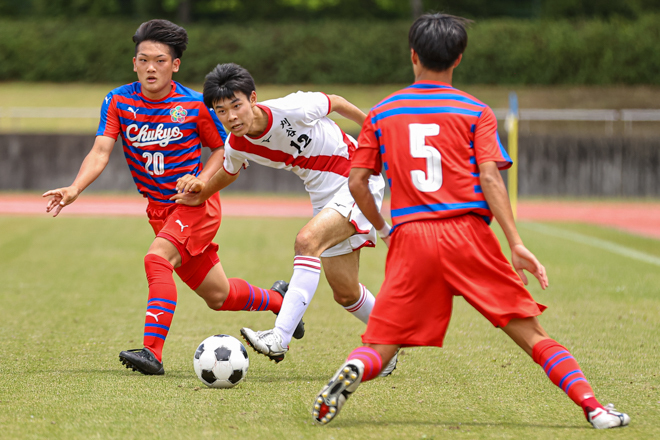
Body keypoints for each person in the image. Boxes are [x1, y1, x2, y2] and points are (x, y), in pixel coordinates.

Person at [311, 13, 630, 430]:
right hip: (468, 235)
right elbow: (490, 177)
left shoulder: (381, 113)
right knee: (531, 334)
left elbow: (357, 182)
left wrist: (386, 228)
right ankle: (595, 408)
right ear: (458, 58)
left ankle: (353, 370)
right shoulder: (475, 111)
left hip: (411, 237)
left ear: (412, 55)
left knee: (384, 341)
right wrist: (515, 242)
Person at [43, 19, 302, 376]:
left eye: (160, 60)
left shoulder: (196, 105)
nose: (151, 67)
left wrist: (201, 180)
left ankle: (152, 353)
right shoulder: (117, 100)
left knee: (156, 259)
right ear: (134, 63)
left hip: (195, 205)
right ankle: (280, 300)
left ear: (175, 65)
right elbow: (101, 149)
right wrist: (74, 188)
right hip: (158, 211)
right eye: (143, 59)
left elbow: (221, 149)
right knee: (219, 296)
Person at [171, 63, 397, 376]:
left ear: (252, 99)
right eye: (221, 111)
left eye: (236, 106)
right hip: (323, 196)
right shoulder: (236, 143)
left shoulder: (292, 108)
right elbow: (228, 170)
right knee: (345, 292)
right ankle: (388, 343)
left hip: (358, 176)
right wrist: (202, 189)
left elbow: (339, 103)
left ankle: (279, 338)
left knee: (306, 241)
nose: (231, 117)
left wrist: (380, 142)